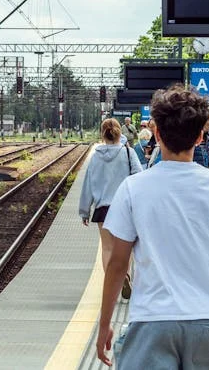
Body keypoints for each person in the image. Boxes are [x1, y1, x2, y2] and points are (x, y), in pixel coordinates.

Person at [96, 85, 209, 369]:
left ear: (157, 133)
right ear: (200, 136)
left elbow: (118, 263)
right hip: (207, 319)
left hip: (150, 318)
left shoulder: (133, 188)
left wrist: (105, 323)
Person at [79, 118, 143, 298]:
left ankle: (111, 284)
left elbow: (88, 185)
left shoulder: (95, 157)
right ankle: (126, 275)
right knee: (126, 247)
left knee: (107, 248)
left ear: (102, 134)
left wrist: (84, 210)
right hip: (124, 208)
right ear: (119, 133)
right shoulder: (129, 153)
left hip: (103, 209)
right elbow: (139, 177)